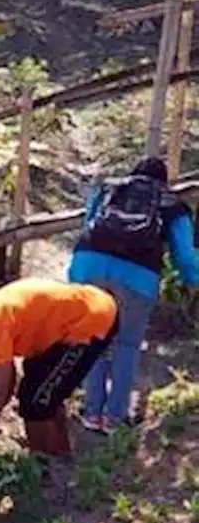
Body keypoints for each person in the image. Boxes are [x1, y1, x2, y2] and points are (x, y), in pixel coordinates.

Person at [0, 279, 119, 474]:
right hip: (69, 323)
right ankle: (60, 455)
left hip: (90, 321)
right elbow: (6, 385)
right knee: (39, 391)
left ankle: (46, 469)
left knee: (35, 403)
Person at [69, 157, 199, 432]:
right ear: (163, 183)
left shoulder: (109, 190)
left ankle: (91, 412)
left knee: (94, 339)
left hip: (88, 265)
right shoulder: (172, 205)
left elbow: (88, 225)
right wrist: (192, 280)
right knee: (126, 346)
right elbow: (186, 258)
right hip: (137, 278)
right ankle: (114, 419)